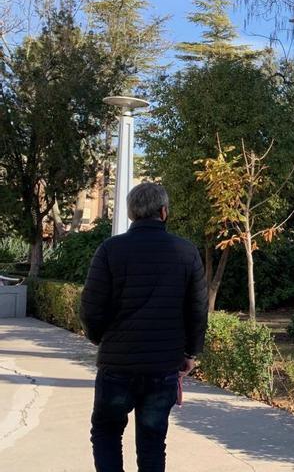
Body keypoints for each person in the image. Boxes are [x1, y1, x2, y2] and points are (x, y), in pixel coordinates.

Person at [79, 182, 208, 472]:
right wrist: (190, 352)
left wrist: (100, 339)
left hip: (116, 367)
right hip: (162, 368)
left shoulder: (110, 250)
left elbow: (90, 307)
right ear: (164, 212)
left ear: (131, 214)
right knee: (152, 443)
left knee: (106, 433)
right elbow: (197, 310)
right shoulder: (186, 252)